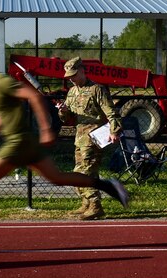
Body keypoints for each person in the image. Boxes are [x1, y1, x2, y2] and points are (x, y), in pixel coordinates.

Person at [0, 58, 128, 242]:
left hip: (20, 143)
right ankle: (108, 186)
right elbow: (3, 115)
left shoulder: (1, 82)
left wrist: (45, 128)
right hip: (39, 142)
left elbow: (33, 95)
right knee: (58, 178)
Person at [58, 56, 125, 220]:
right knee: (89, 173)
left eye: (74, 75)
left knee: (82, 173)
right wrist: (63, 111)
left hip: (94, 137)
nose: (72, 79)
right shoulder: (72, 92)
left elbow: (111, 112)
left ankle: (95, 205)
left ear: (82, 71)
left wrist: (114, 131)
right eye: (69, 77)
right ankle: (86, 204)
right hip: (79, 137)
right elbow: (67, 119)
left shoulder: (97, 89)